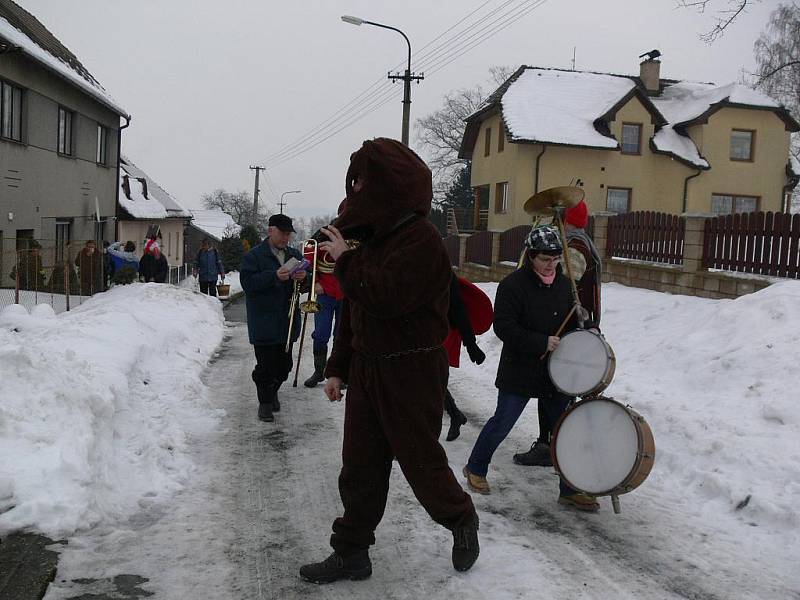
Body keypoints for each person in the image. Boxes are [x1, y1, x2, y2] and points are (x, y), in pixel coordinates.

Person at [299, 138, 480, 585]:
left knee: (421, 462)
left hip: (412, 371)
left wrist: (345, 262)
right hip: (369, 369)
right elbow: (354, 315)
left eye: (363, 182)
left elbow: (384, 296)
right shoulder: (374, 241)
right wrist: (337, 367)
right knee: (359, 467)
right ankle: (351, 553)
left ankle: (460, 519)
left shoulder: (421, 240)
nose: (357, 192)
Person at [463, 225, 600, 512]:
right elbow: (504, 326)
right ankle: (475, 467)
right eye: (545, 259)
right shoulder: (512, 285)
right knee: (503, 421)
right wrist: (540, 341)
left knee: (564, 430)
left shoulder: (565, 285)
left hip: (556, 373)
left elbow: (571, 324)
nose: (551, 264)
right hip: (521, 369)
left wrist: (583, 322)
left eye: (555, 258)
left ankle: (570, 489)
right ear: (530, 256)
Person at [513, 200, 602, 467]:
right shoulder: (582, 242)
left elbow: (562, 283)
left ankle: (552, 446)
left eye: (559, 218)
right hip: (573, 325)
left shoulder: (574, 246)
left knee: (557, 388)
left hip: (570, 327)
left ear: (566, 220)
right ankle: (551, 443)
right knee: (554, 387)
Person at [239, 213, 307, 423]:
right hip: (264, 322)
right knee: (266, 366)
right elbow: (248, 284)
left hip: (287, 322)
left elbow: (305, 284)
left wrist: (304, 278)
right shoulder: (254, 256)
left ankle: (271, 390)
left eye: (288, 234)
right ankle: (265, 403)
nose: (286, 238)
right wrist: (274, 276)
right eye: (282, 233)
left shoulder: (294, 254)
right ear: (270, 231)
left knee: (284, 366)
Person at [441, 273, 491, 441]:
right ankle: (455, 415)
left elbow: (457, 307)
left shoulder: (439, 266)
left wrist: (470, 344)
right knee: (426, 381)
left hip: (436, 335)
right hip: (408, 335)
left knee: (426, 381)